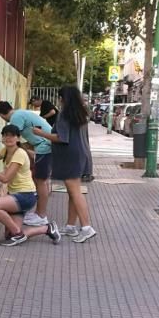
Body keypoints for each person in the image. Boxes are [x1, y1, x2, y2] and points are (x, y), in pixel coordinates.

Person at [32, 85, 98, 243]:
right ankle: (70, 226)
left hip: (70, 156)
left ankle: (86, 227)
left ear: (62, 99)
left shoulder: (65, 115)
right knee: (73, 192)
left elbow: (61, 138)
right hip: (81, 154)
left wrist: (40, 133)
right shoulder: (82, 114)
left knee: (75, 192)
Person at [0, 124, 61, 246]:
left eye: (12, 136)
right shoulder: (5, 150)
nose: (8, 138)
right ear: (2, 138)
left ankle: (18, 235)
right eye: (5, 135)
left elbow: (5, 178)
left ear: (18, 138)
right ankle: (46, 228)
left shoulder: (19, 153)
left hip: (25, 196)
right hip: (16, 195)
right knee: (10, 235)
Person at [0, 101, 53, 226]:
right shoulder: (21, 113)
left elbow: (16, 140)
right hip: (43, 145)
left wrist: (21, 151)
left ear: (1, 115)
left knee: (41, 181)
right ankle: (38, 213)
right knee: (40, 180)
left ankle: (41, 215)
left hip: (44, 146)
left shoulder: (15, 117)